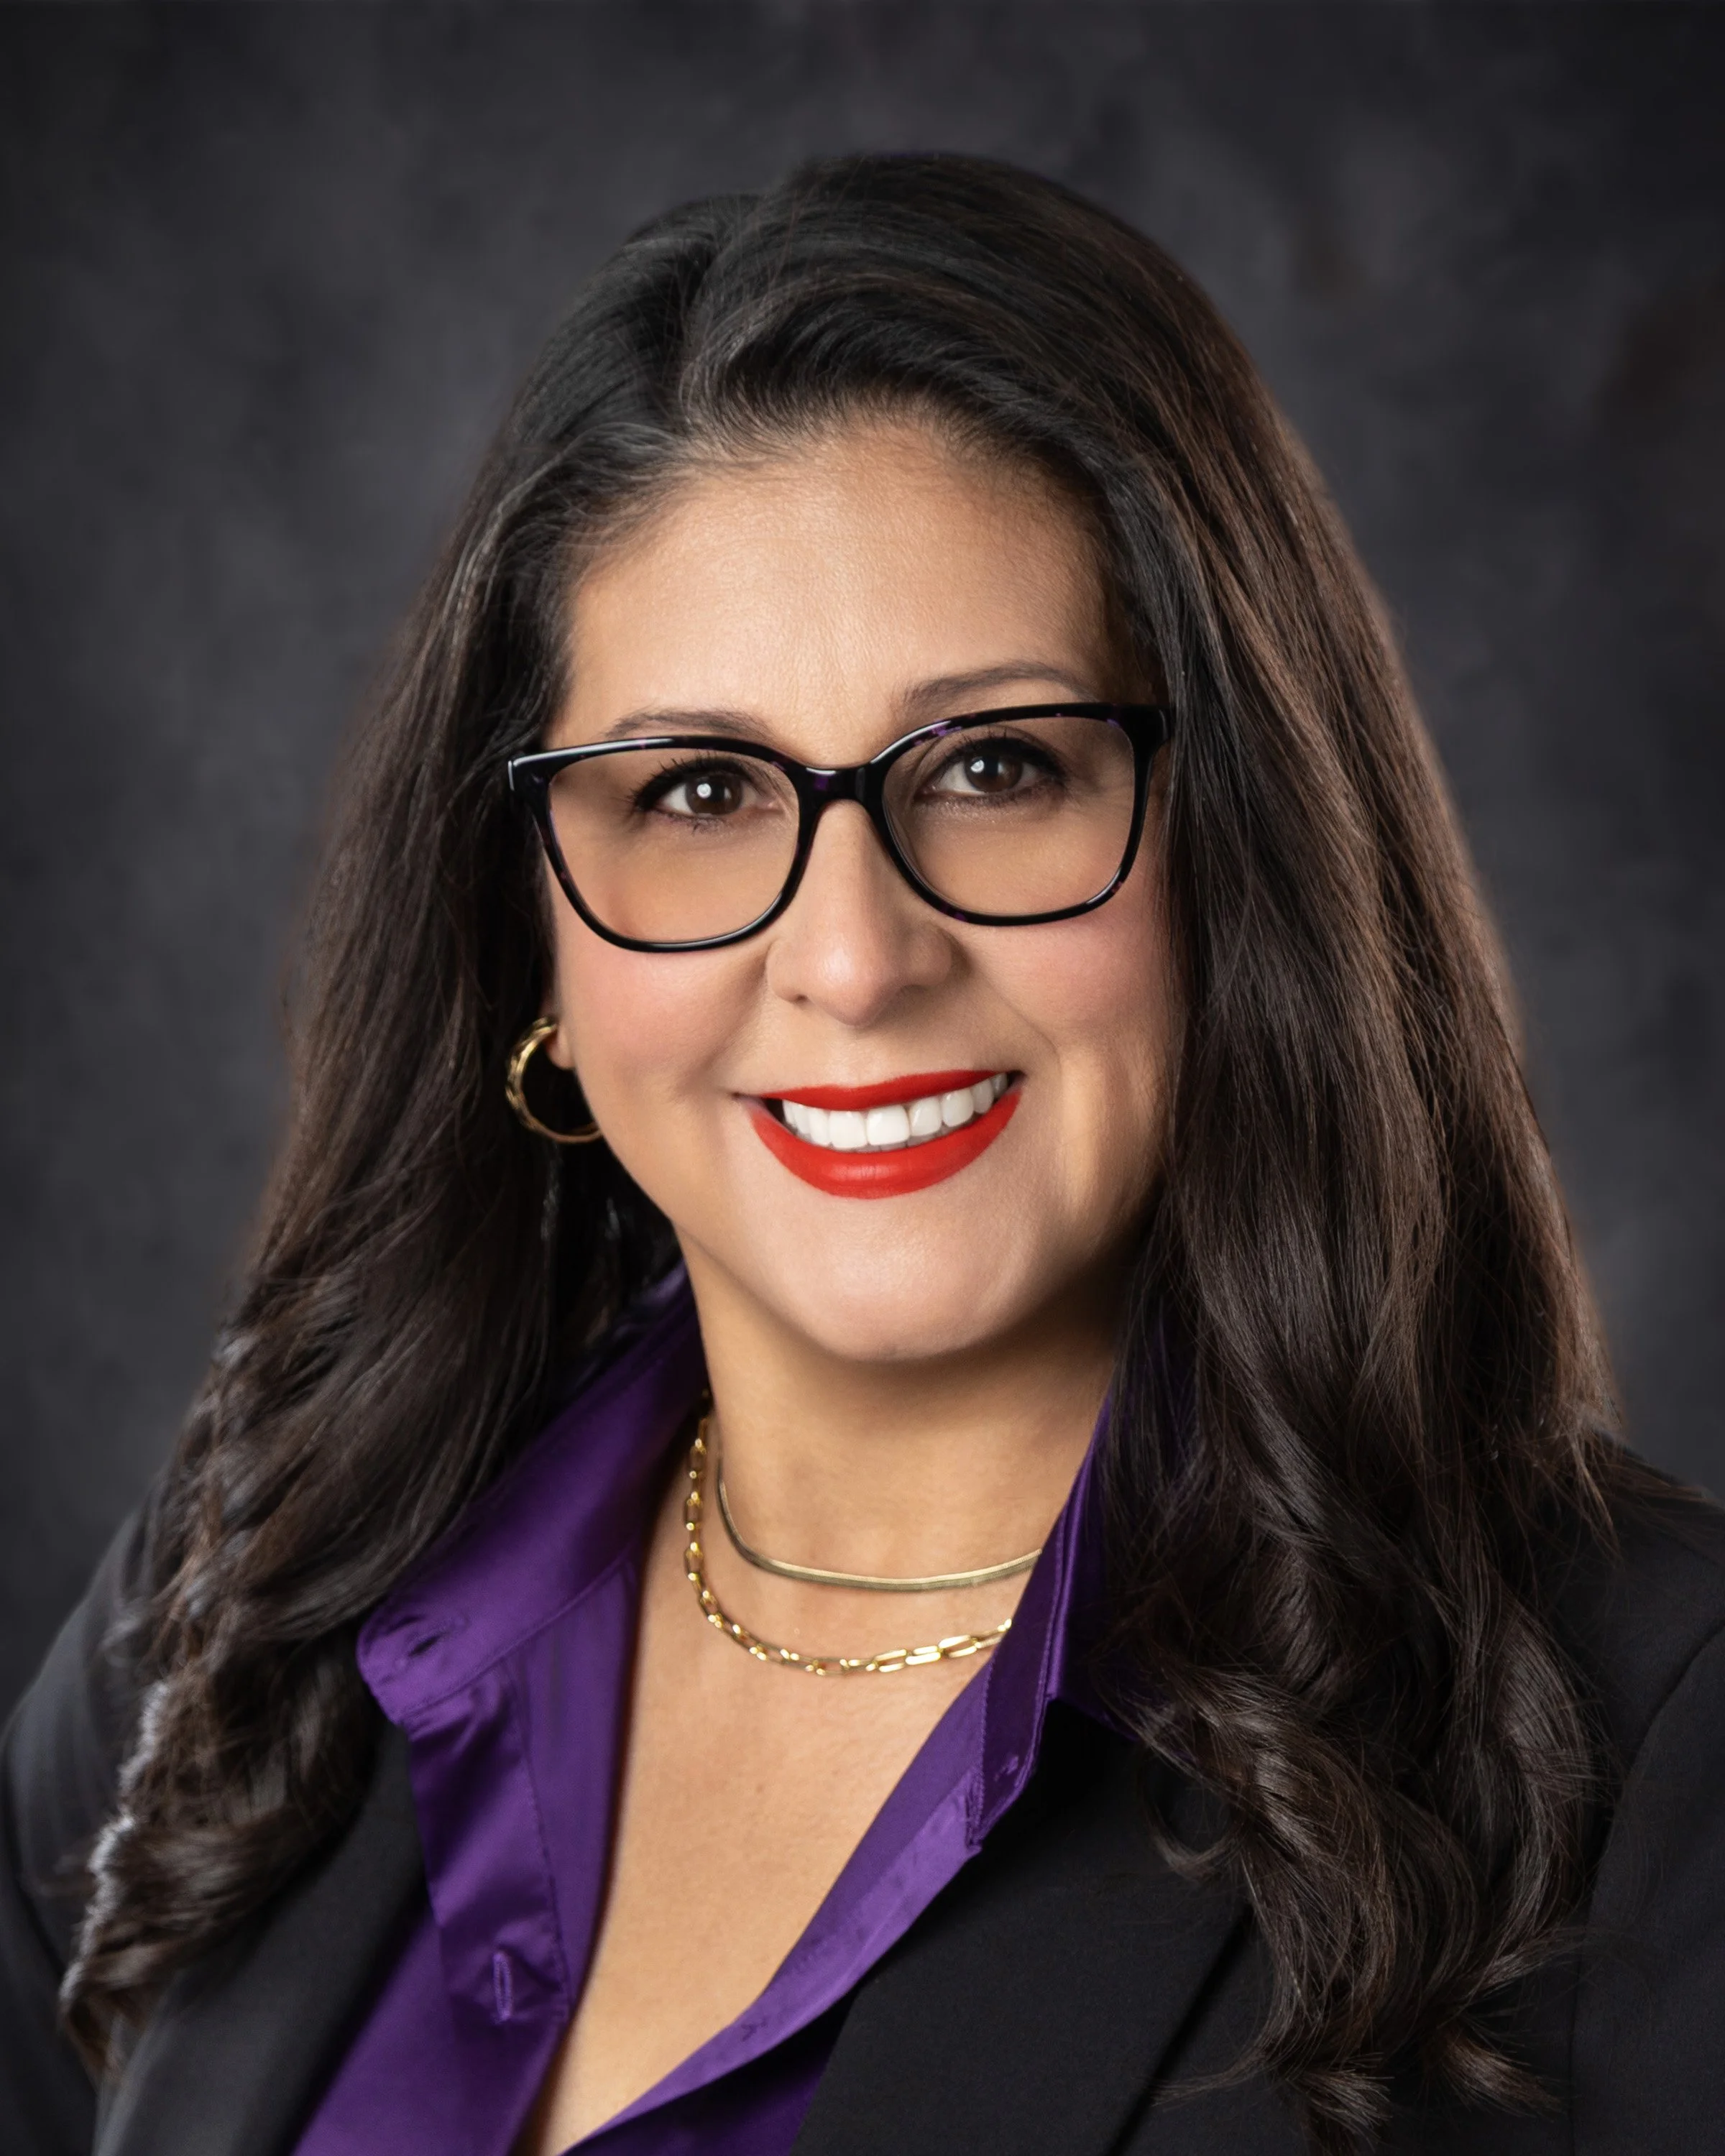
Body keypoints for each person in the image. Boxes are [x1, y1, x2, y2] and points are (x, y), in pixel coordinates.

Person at [4, 152, 1722, 2156]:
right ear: (523, 927)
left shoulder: (1656, 1753)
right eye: (698, 791)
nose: (851, 957)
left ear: (1243, 847)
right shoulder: (249, 1583)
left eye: (996, 767)